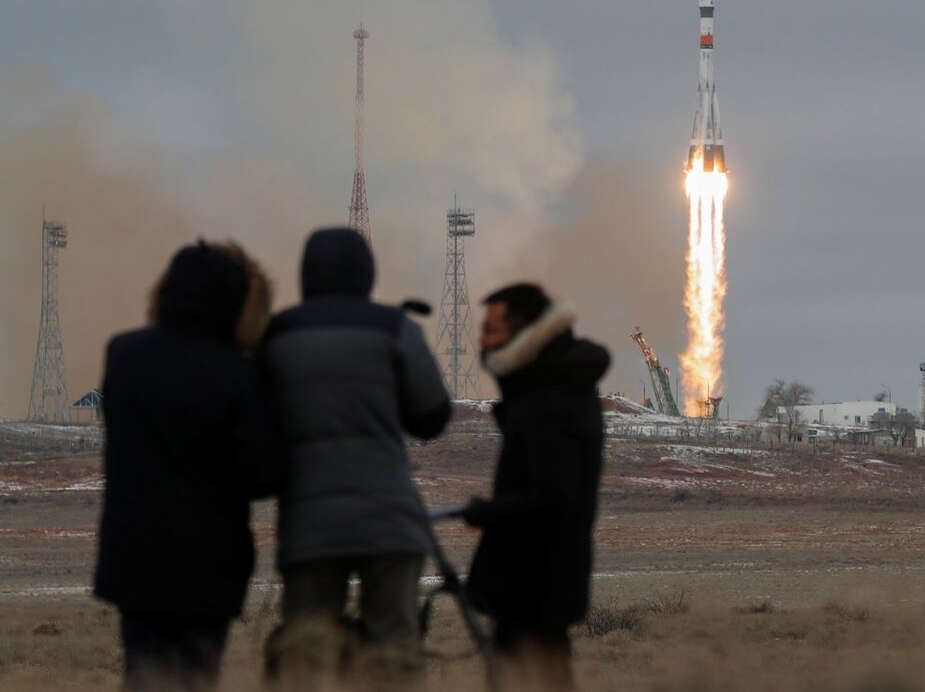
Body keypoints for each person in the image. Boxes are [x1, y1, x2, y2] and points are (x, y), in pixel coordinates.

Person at [262, 227, 450, 690]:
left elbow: (256, 429)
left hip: (310, 525)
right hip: (389, 519)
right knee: (394, 653)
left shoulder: (278, 334)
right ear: (368, 273)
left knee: (308, 654)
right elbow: (431, 417)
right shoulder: (394, 328)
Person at [94, 240, 278, 691]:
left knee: (142, 674)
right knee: (196, 678)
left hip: (133, 562)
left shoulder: (124, 355)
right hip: (207, 571)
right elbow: (262, 476)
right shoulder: (238, 373)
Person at [464, 283, 609, 691]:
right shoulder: (553, 386)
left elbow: (553, 499)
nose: (483, 340)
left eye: (492, 329)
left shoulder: (550, 398)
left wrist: (487, 512)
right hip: (537, 582)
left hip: (536, 582)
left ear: (523, 329)